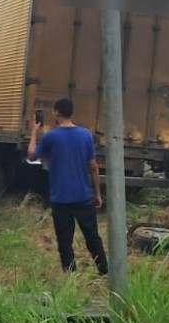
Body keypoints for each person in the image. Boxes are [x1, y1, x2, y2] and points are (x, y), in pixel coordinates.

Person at [28, 98, 109, 275]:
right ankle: (104, 271)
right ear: (72, 113)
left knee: (65, 241)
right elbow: (93, 167)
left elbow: (32, 156)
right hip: (83, 197)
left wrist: (34, 132)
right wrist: (97, 193)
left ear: (56, 112)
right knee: (93, 237)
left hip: (61, 199)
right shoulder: (86, 135)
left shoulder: (50, 137)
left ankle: (71, 276)